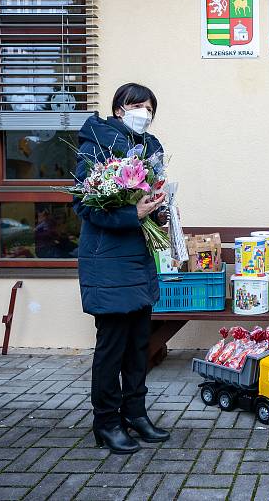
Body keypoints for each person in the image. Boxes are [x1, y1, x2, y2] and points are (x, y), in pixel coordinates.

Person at [74, 83, 171, 454]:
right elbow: (85, 205)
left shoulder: (151, 149)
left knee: (138, 345)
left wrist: (159, 211)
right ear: (117, 109)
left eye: (149, 107)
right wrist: (133, 213)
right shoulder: (96, 146)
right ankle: (107, 422)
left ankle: (135, 413)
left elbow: (152, 197)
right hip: (107, 263)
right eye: (135, 105)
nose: (142, 112)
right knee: (112, 347)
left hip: (139, 260)